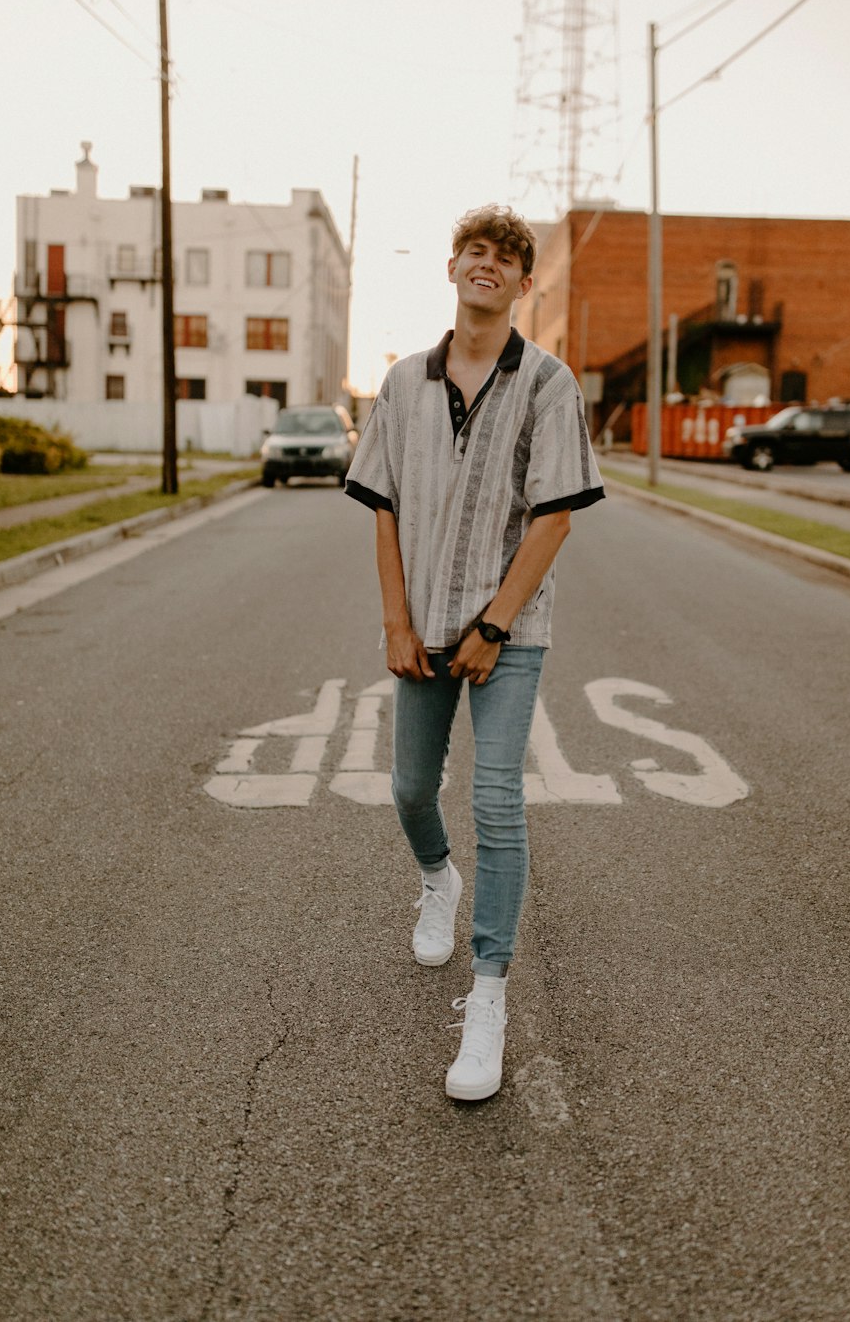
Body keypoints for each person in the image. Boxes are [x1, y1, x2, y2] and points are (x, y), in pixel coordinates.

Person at [345, 204, 604, 1101]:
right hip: (420, 624)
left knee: (497, 799)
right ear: (452, 267)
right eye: (476, 252)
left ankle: (487, 995)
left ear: (524, 283)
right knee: (411, 787)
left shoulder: (547, 384)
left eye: (507, 259)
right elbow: (383, 505)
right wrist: (394, 620)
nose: (487, 266)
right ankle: (436, 882)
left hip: (510, 630)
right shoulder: (401, 384)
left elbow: (556, 513)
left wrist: (495, 624)